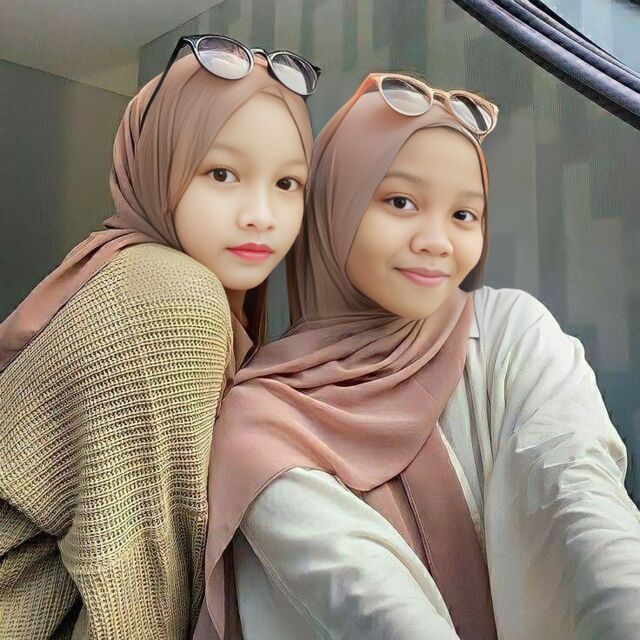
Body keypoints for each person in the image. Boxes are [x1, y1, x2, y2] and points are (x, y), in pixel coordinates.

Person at [195, 73, 640, 640]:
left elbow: (579, 490)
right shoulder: (263, 419)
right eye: (401, 202)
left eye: (464, 215)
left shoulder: (508, 330)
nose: (438, 241)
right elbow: (366, 605)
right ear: (333, 207)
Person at [0, 34, 315, 639]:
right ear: (156, 167)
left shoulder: (132, 272)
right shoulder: (172, 297)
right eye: (221, 173)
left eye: (287, 183)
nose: (261, 214)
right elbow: (138, 602)